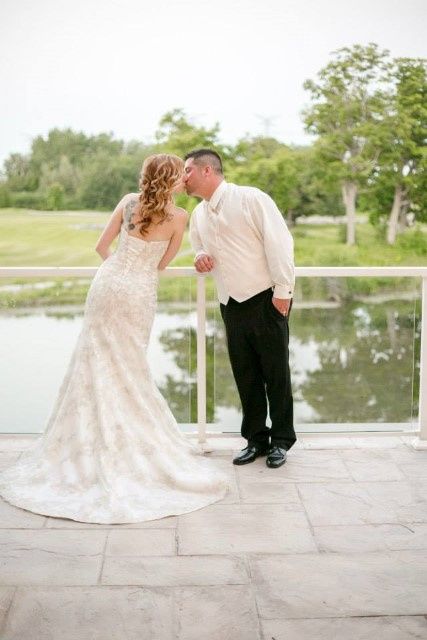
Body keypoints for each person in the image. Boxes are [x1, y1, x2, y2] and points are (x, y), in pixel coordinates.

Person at [0, 154, 229, 524]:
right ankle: (129, 438)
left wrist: (118, 268)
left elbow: (101, 248)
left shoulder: (128, 203)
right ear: (171, 181)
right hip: (138, 292)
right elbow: (162, 265)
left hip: (107, 286)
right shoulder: (179, 217)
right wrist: (136, 273)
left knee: (93, 361)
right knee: (130, 363)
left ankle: (83, 443)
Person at [186, 149, 296, 469]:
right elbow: (199, 249)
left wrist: (283, 292)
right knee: (245, 375)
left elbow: (280, 243)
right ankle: (256, 440)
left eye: (188, 170)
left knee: (276, 374)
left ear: (208, 171)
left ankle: (281, 441)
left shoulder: (251, 198)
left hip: (267, 298)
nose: (184, 178)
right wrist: (199, 257)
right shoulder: (198, 215)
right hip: (230, 304)